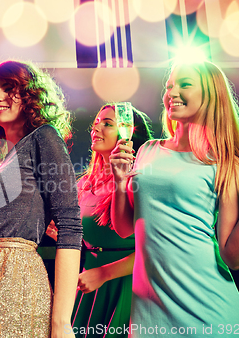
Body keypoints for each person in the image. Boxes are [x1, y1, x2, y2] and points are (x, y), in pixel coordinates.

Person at [110, 60, 239, 337]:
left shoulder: (225, 163)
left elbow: (234, 257)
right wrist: (119, 181)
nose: (172, 92)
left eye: (185, 84)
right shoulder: (148, 150)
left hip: (209, 314)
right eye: (169, 85)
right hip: (149, 319)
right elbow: (125, 229)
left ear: (212, 94)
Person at [0, 60, 83, 337]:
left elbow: (70, 226)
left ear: (30, 95)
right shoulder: (1, 156)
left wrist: (62, 321)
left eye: (8, 88)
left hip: (17, 276)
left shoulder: (44, 138)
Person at [47, 103, 152, 337]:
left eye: (107, 123)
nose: (96, 128)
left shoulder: (138, 180)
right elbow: (86, 240)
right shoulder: (83, 184)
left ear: (128, 133)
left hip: (126, 282)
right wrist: (61, 234)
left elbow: (154, 248)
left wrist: (104, 273)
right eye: (96, 122)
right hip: (88, 282)